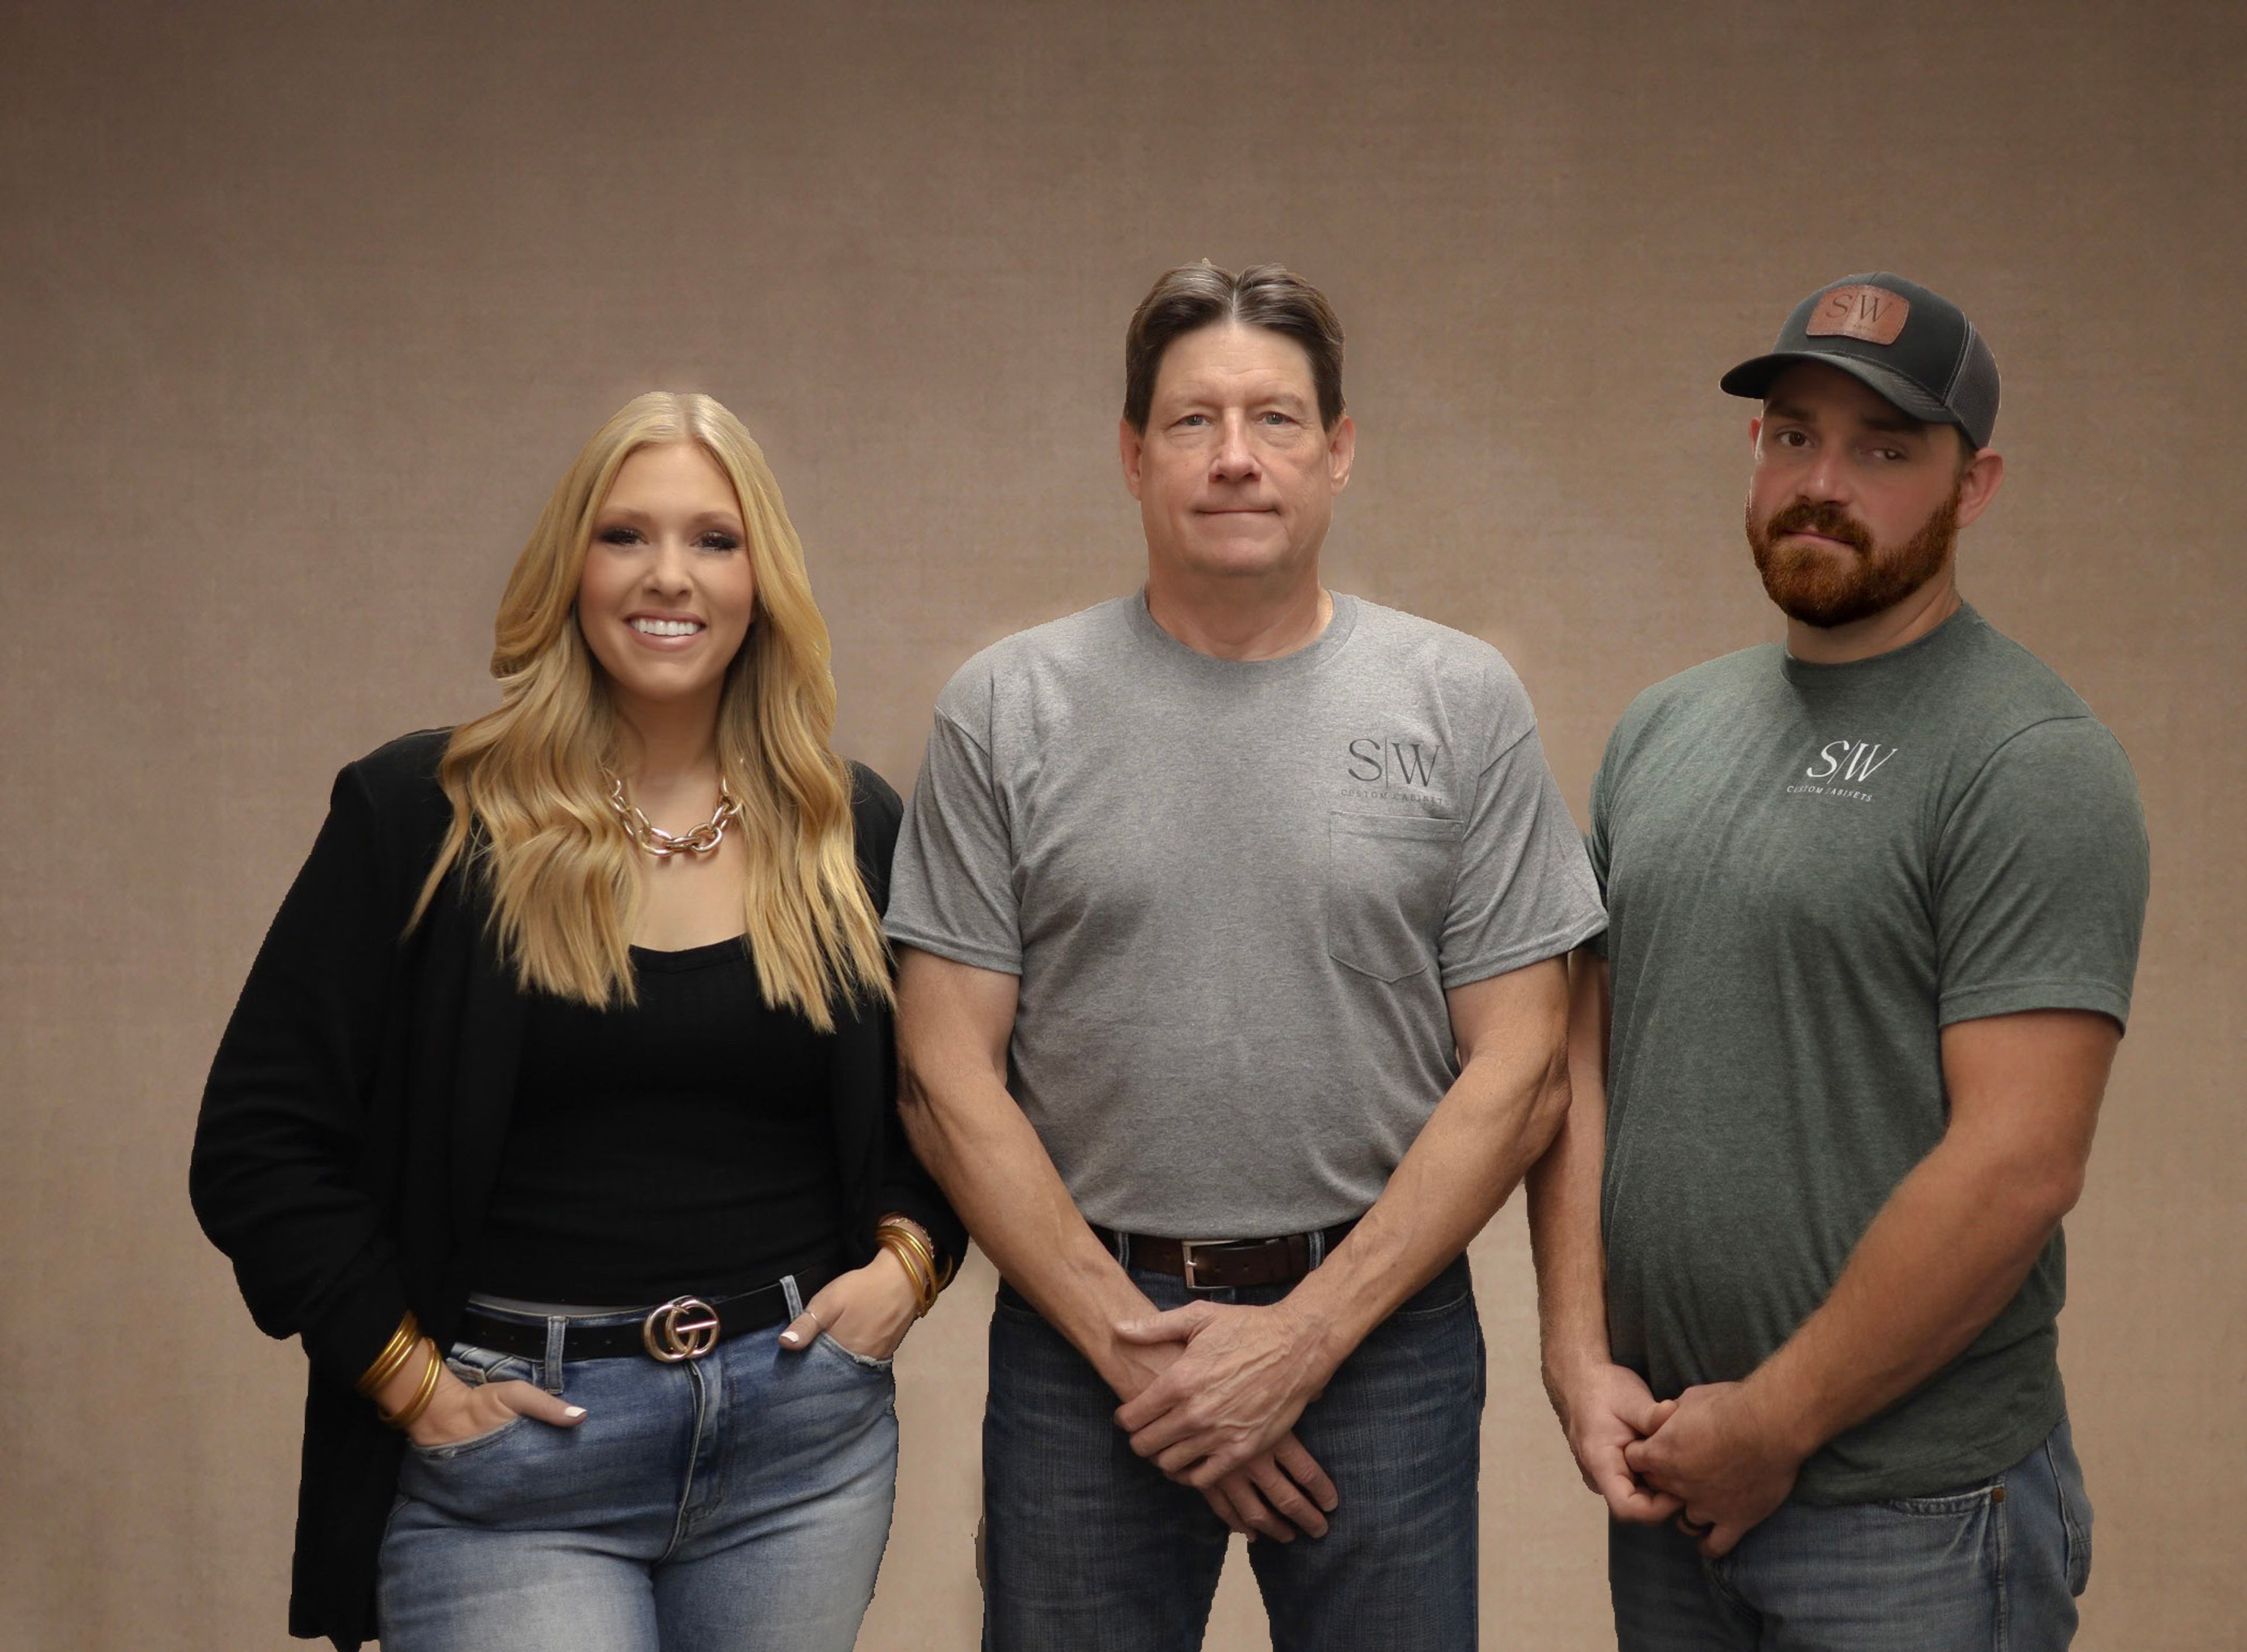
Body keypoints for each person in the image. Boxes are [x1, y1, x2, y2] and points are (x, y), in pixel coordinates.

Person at [885, 262, 1606, 1651]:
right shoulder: (1007, 710)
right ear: (1131, 453)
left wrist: (1305, 1338)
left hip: (1378, 1331)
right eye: (1191, 421)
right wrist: (1143, 1355)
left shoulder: (1460, 702)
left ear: (1339, 451)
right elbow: (942, 1075)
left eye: (1275, 420)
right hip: (1082, 1333)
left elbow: (1523, 1070)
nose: (1233, 458)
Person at [190, 392, 963, 1652]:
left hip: (797, 1450)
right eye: (625, 536)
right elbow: (257, 1144)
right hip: (514, 1467)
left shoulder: (846, 830)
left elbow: (941, 1104)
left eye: (715, 539)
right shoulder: (424, 818)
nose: (671, 575)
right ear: (570, 569)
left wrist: (907, 1269)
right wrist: (408, 1379)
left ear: (763, 577)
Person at [1529, 273, 2149, 1649]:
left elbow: (2022, 1161)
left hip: (1912, 1516)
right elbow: (1580, 1059)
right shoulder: (1661, 730)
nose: (1825, 481)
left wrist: (1777, 1418)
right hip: (1675, 1486)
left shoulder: (2030, 760)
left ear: (1972, 484)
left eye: (1883, 449)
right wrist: (1577, 1354)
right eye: (1794, 435)